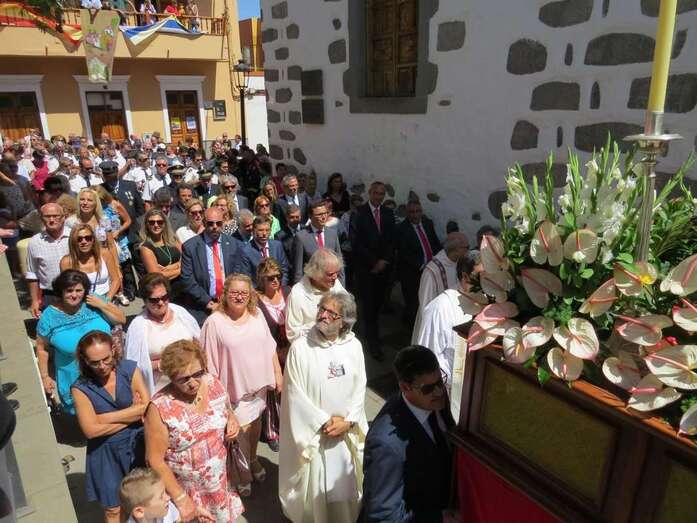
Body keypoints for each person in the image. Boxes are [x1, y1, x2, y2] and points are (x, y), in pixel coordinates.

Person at [279, 292, 367, 523]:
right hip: (317, 434)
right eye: (322, 309)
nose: (323, 315)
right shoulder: (301, 348)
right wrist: (323, 422)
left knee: (345, 494)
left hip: (344, 432)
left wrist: (349, 420)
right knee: (317, 499)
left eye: (331, 313)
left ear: (344, 321)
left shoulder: (354, 346)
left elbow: (361, 386)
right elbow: (294, 393)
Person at [144, 339, 244, 522]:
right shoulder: (159, 408)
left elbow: (227, 410)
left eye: (197, 373)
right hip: (187, 493)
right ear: (171, 377)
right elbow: (154, 460)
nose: (192, 383)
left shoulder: (212, 383)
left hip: (220, 483)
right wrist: (181, 499)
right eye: (183, 379)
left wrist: (232, 420)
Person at [202, 274, 282, 497]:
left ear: (250, 296)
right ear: (225, 294)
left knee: (255, 426)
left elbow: (270, 346)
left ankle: (253, 458)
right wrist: (218, 398)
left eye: (244, 293)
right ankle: (241, 472)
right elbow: (208, 363)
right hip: (234, 392)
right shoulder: (214, 323)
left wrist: (277, 373)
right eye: (234, 292)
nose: (239, 297)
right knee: (240, 434)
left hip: (259, 386)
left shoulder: (257, 315)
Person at [361, 346, 456, 523]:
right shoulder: (385, 444)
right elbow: (383, 517)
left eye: (440, 381)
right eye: (428, 388)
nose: (439, 391)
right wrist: (437, 518)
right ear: (405, 387)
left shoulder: (436, 402)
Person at [71, 331, 149, 523]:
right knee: (114, 510)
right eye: (94, 362)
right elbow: (90, 431)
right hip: (105, 454)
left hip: (137, 446)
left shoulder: (129, 369)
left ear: (113, 350)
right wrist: (132, 413)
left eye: (106, 359)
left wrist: (101, 418)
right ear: (85, 360)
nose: (102, 366)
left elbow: (146, 409)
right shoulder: (80, 387)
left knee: (145, 501)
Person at [36, 269, 126, 415]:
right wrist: (45, 377)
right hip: (75, 378)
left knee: (117, 408)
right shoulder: (49, 316)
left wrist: (102, 305)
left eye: (79, 290)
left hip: (107, 369)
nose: (74, 295)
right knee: (88, 416)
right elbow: (42, 348)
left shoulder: (93, 301)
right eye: (69, 290)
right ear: (60, 291)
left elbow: (121, 319)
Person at [124, 274, 201, 395]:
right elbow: (133, 368)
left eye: (164, 297)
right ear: (145, 300)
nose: (160, 302)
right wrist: (162, 364)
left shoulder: (181, 313)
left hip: (191, 383)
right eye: (154, 300)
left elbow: (198, 343)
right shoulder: (137, 326)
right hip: (160, 388)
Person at [413, 256, 479, 396]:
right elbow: (426, 356)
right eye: (482, 276)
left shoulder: (489, 302)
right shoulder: (441, 307)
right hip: (450, 393)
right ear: (465, 276)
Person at [350, 181, 396, 361]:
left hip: (383, 268)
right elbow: (356, 242)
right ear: (369, 193)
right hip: (366, 268)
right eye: (376, 193)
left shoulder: (388, 213)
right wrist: (373, 262)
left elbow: (391, 240)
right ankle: (373, 343)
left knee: (378, 304)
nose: (379, 197)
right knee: (368, 306)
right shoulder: (359, 213)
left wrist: (384, 260)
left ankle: (374, 333)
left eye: (382, 194)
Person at [180, 207, 245, 325]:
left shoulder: (234, 244)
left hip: (230, 303)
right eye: (210, 223)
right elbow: (187, 279)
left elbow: (238, 273)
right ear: (204, 223)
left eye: (218, 223)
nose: (215, 227)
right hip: (201, 306)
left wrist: (230, 299)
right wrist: (209, 303)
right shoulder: (190, 247)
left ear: (223, 222)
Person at [411, 232, 470, 344]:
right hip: (435, 326)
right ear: (456, 249)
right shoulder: (432, 271)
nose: (468, 251)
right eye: (467, 247)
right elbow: (426, 305)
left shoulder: (459, 264)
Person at [395, 200, 442, 326]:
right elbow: (404, 252)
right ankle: (411, 329)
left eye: (418, 211)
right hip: (412, 272)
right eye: (412, 212)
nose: (415, 215)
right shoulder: (401, 229)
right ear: (407, 213)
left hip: (431, 268)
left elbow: (435, 243)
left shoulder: (427, 223)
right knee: (413, 302)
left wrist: (439, 260)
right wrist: (421, 266)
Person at [286, 248, 348, 343]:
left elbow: (348, 311)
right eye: (330, 274)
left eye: (337, 273)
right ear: (316, 274)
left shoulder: (335, 285)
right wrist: (321, 326)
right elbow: (292, 333)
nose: (335, 277)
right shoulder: (297, 294)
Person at [26, 203, 70, 318]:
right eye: (47, 216)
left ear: (63, 217)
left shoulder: (74, 236)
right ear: (41, 219)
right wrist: (34, 300)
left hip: (76, 293)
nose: (51, 220)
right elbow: (32, 274)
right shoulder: (35, 242)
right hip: (50, 296)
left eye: (56, 216)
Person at [60, 224, 120, 300]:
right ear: (73, 241)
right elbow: (66, 288)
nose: (84, 241)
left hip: (106, 298)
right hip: (80, 302)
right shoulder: (66, 262)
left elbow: (116, 279)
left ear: (93, 239)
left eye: (88, 238)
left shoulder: (105, 254)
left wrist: (106, 301)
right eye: (79, 239)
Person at [293, 200, 343, 284]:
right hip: (311, 286)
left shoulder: (332, 234)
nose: (323, 217)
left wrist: (341, 285)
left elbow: (339, 264)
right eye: (319, 214)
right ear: (310, 216)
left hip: (332, 285)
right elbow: (298, 270)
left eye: (325, 213)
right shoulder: (301, 237)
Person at [138, 208, 183, 301]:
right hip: (163, 292)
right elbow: (157, 275)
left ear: (165, 224)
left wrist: (172, 267)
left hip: (183, 287)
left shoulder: (173, 239)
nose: (156, 225)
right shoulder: (145, 247)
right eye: (152, 222)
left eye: (159, 222)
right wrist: (181, 270)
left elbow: (187, 258)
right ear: (146, 225)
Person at [239, 215, 290, 285]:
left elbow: (284, 269)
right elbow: (246, 278)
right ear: (253, 231)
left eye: (267, 230)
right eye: (261, 230)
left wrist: (280, 286)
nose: (264, 234)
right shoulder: (246, 251)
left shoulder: (277, 246)